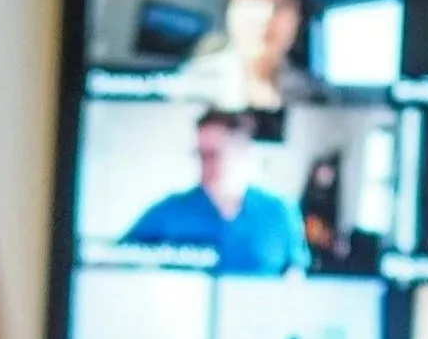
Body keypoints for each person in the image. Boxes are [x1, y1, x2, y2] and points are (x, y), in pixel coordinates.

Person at [121, 109, 310, 275]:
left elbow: (294, 275)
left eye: (214, 155)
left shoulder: (279, 212)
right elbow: (118, 261)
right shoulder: (169, 212)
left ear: (242, 152)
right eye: (200, 155)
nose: (205, 164)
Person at [173, 0, 325, 111]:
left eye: (281, 4)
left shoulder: (317, 97)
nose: (267, 15)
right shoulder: (185, 88)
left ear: (299, 20)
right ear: (231, 11)